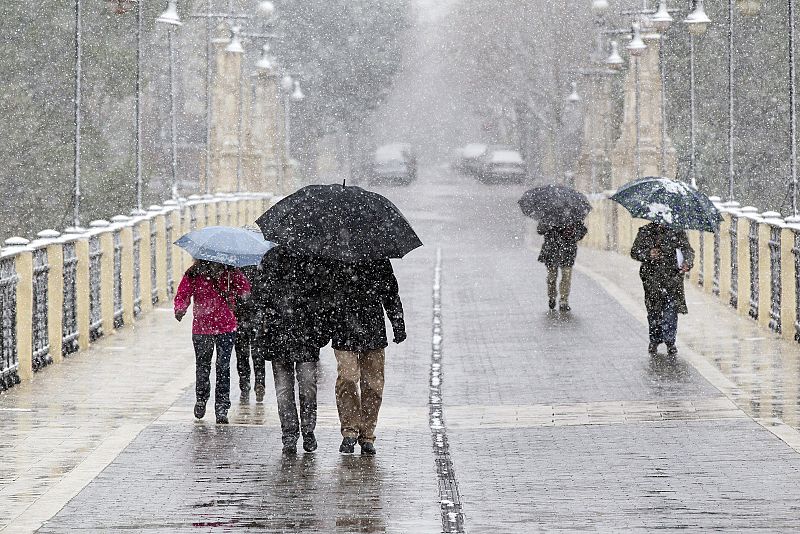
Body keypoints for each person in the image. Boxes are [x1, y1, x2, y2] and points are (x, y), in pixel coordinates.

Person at [252, 247, 331, 454]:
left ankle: (308, 430)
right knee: (284, 391)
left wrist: (320, 330)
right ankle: (289, 434)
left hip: (305, 336)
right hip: (279, 336)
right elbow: (259, 298)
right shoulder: (272, 259)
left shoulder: (313, 260)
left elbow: (323, 298)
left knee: (307, 387)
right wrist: (261, 330)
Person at [328, 259, 406, 456]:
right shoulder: (335, 257)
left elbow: (390, 292)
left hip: (372, 329)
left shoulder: (378, 258)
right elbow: (324, 292)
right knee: (347, 378)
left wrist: (397, 322)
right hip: (343, 328)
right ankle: (349, 431)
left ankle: (367, 435)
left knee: (373, 385)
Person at [174, 260, 251, 424]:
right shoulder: (194, 273)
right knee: (203, 366)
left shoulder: (230, 272)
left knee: (223, 366)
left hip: (226, 326)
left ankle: (222, 407)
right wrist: (180, 308)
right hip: (202, 328)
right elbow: (183, 293)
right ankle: (201, 398)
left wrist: (236, 292)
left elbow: (244, 289)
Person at [630, 222, 694, 356]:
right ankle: (654, 340)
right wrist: (648, 254)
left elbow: (687, 250)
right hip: (651, 280)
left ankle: (670, 341)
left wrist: (687, 262)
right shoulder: (646, 231)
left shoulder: (676, 231)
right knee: (654, 311)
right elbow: (634, 252)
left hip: (672, 279)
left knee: (671, 310)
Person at [537, 220, 588, 311]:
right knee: (552, 277)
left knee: (566, 277)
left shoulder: (573, 217)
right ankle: (552, 297)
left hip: (568, 250)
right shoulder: (548, 217)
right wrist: (548, 227)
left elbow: (582, 230)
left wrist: (573, 234)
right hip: (551, 250)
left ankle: (563, 301)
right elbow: (540, 230)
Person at [234, 264, 266, 403]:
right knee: (256, 354)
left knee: (243, 355)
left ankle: (245, 385)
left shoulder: (235, 270)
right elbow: (264, 294)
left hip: (241, 317)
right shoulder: (260, 270)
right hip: (253, 316)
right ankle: (258, 382)